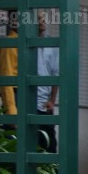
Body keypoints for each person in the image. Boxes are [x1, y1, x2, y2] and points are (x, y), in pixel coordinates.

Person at [36, 12, 59, 153]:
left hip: (45, 104)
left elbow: (56, 74)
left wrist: (52, 100)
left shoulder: (52, 45)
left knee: (50, 144)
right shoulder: (24, 43)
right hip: (28, 102)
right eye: (39, 19)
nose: (42, 22)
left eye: (44, 18)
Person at [0, 14, 19, 115]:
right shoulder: (10, 43)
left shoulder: (21, 43)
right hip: (15, 97)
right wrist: (11, 110)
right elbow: (7, 78)